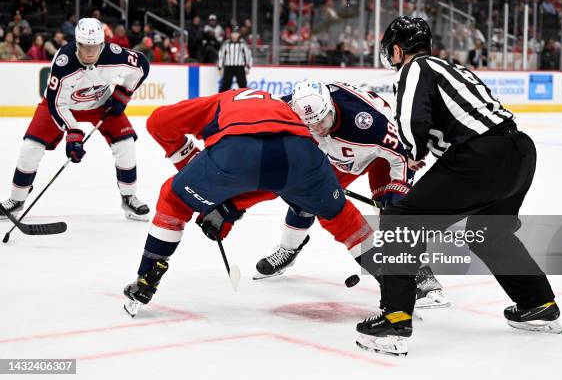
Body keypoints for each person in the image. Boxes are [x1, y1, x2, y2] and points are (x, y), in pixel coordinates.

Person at [354, 16, 561, 356]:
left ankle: (394, 320)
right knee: (488, 232)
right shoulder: (452, 69)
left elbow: (412, 121)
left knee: (400, 221)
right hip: (519, 151)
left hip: (481, 156)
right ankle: (538, 304)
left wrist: (412, 150)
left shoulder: (415, 68)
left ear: (396, 48)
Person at [123, 87, 373, 317]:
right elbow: (273, 179)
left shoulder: (219, 101)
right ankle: (401, 280)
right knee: (345, 219)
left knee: (174, 199)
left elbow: (158, 122)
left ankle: (146, 279)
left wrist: (190, 164)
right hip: (302, 156)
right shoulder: (283, 106)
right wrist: (228, 208)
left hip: (236, 151)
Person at [253, 79, 449, 308]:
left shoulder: (366, 123)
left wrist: (398, 196)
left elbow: (400, 157)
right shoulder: (292, 108)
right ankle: (288, 250)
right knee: (305, 197)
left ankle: (422, 278)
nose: (318, 129)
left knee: (394, 214)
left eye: (322, 121)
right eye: (311, 125)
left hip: (381, 157)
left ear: (331, 107)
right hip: (341, 159)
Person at [0, 18, 151, 222]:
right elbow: (57, 104)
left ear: (102, 44)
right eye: (84, 46)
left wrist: (123, 93)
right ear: (77, 44)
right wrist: (73, 132)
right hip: (61, 105)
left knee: (125, 145)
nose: (89, 52)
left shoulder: (115, 55)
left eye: (95, 46)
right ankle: (16, 200)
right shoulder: (64, 62)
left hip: (101, 104)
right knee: (30, 147)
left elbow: (141, 64)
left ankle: (129, 197)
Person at [217, 26, 252, 92]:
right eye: (233, 33)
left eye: (236, 33)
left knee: (243, 85)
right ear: (231, 34)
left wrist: (248, 67)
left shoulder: (242, 43)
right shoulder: (226, 43)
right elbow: (221, 55)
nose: (235, 35)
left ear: (239, 34)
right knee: (225, 86)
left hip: (240, 67)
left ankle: (245, 100)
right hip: (228, 66)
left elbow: (248, 55)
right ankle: (220, 100)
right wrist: (220, 67)